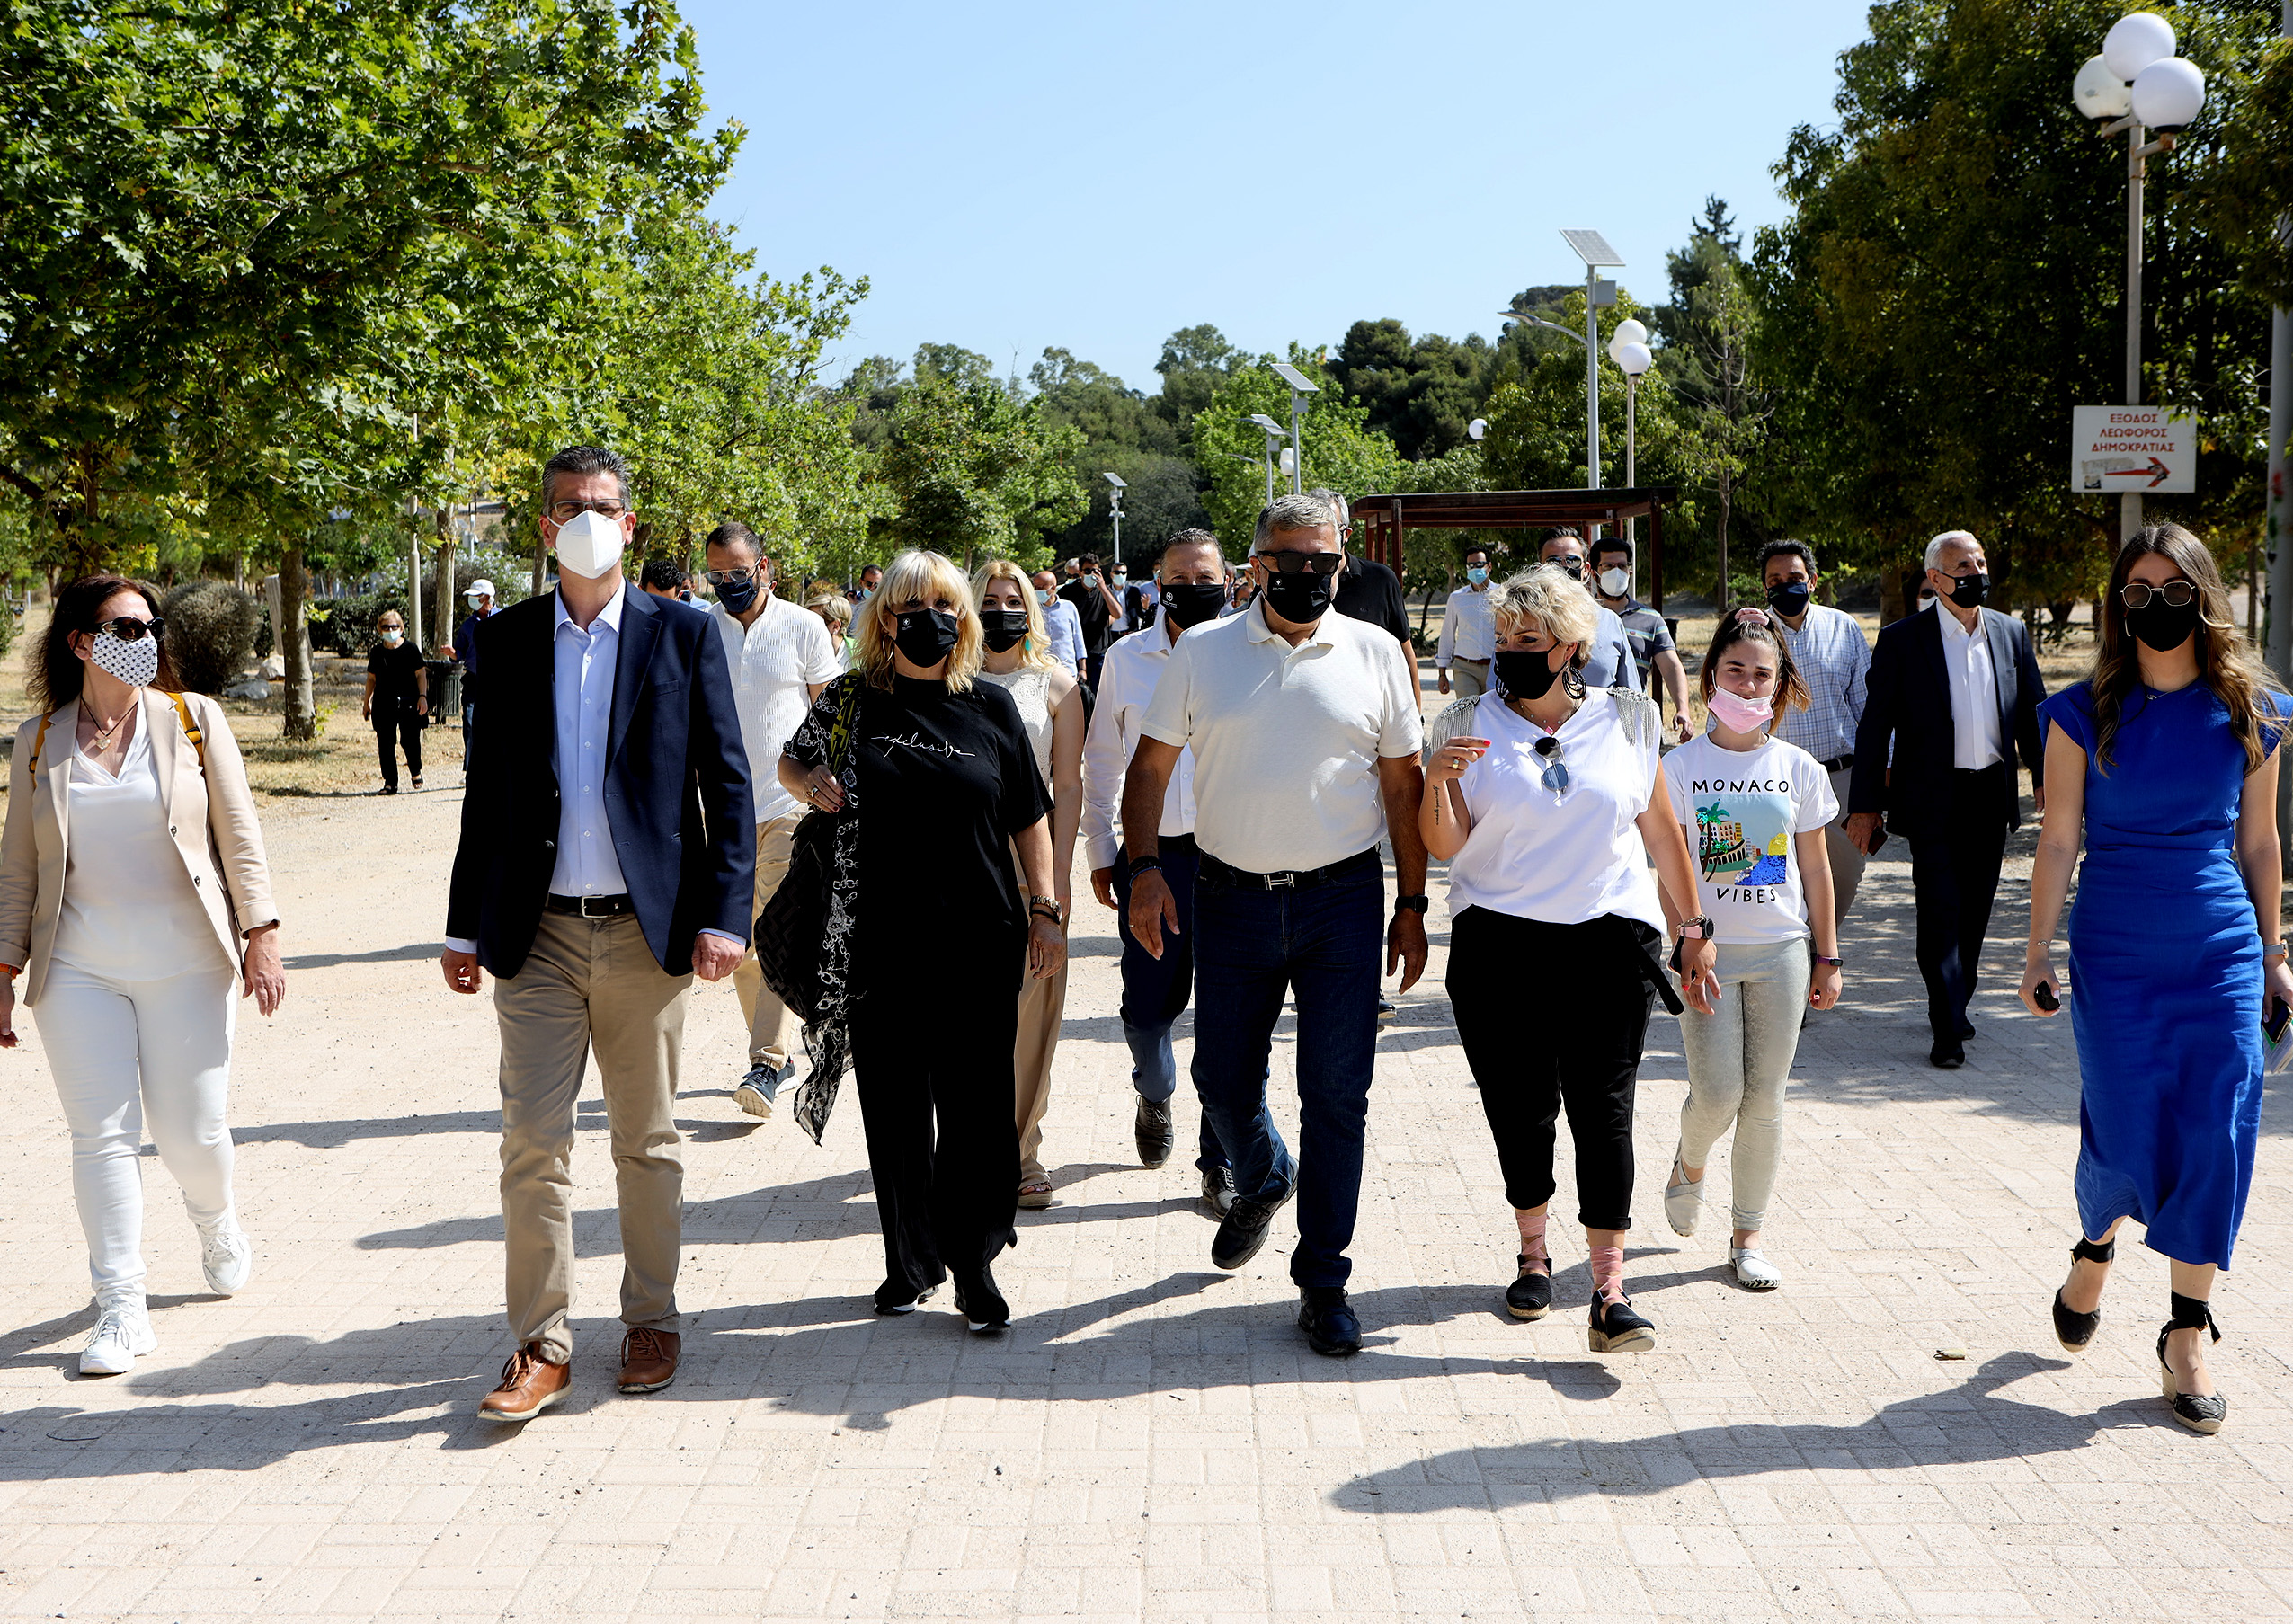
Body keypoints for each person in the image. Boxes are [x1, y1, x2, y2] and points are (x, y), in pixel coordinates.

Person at [443, 445, 754, 1421]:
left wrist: (726, 913)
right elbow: (487, 795)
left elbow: (727, 783)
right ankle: (541, 1344)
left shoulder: (684, 634)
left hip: (643, 936)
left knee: (646, 1142)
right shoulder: (506, 638)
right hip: (534, 934)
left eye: (604, 505)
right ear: (545, 527)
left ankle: (651, 1318)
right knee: (531, 1145)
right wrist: (462, 925)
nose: (588, 518)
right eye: (570, 505)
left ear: (629, 524)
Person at [1121, 493, 1428, 1357]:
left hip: (1342, 902)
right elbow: (1148, 770)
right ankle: (1263, 1173)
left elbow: (1402, 785)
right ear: (1256, 566)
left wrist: (1411, 905)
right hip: (1230, 898)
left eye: (1324, 562)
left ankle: (1323, 1280)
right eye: (1290, 561)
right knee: (1220, 1080)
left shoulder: (1373, 652)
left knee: (1336, 1094)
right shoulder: (1204, 651)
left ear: (1342, 563)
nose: (1308, 575)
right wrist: (1144, 870)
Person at [2022, 526, 2292, 1437]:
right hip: (2115, 946)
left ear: (2203, 598)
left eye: (2174, 588)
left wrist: (2274, 951)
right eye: (2137, 590)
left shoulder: (2253, 711)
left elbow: (2259, 841)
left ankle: (2186, 1333)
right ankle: (2095, 1243)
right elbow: (2058, 838)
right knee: (2123, 1124)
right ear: (2117, 605)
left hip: (2219, 946)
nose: (2155, 605)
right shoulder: (2079, 713)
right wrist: (2034, 952)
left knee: (2215, 1126)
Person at [1419, 565, 1712, 1353]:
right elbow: (1445, 845)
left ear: (1573, 645)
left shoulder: (1628, 717)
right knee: (1519, 1107)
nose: (1510, 650)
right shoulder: (1462, 721)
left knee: (1603, 1109)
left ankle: (1609, 1291)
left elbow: (1660, 831)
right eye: (1502, 637)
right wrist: (1436, 782)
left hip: (1607, 943)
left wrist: (1693, 927)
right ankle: (1532, 1253)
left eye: (1528, 637)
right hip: (1498, 944)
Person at [0, 574, 285, 1376]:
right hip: (78, 967)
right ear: (80, 642)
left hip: (188, 961)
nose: (145, 638)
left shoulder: (193, 719)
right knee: (100, 1137)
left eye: (151, 625)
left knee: (191, 1134)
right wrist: (4, 967)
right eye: (125, 627)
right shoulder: (37, 741)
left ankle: (214, 1217)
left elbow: (239, 833)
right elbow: (18, 866)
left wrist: (261, 933)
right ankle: (121, 1306)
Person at [779, 549, 1065, 1331]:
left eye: (942, 606)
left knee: (977, 1110)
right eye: (909, 608)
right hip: (880, 943)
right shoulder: (851, 700)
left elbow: (1029, 817)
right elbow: (790, 761)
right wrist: (810, 784)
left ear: (962, 620)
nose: (926, 620)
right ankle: (909, 1263)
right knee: (896, 1110)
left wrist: (1047, 909)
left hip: (982, 937)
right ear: (883, 620)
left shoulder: (991, 708)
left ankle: (974, 1265)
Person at [1658, 608, 1842, 1291]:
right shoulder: (1677, 768)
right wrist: (1686, 940)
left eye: (1762, 674)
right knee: (1716, 1093)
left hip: (1781, 953)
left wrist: (1827, 955)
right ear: (1711, 675)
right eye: (1734, 669)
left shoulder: (1798, 768)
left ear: (1779, 685)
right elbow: (1667, 868)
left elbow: (1815, 868)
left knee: (1764, 1098)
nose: (1747, 683)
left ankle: (1747, 1236)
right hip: (1705, 954)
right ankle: (1689, 1160)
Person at [1081, 529, 1238, 1211]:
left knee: (1230, 1020)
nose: (1192, 588)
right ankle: (1154, 1091)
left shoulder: (1251, 655)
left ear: (1229, 580)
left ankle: (1221, 1159)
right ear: (1157, 581)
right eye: (1179, 577)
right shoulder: (1126, 658)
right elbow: (1101, 764)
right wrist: (1101, 851)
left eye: (1205, 577)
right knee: (1147, 1010)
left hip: (1235, 862)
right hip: (1152, 860)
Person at [1847, 529, 2044, 1069]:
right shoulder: (1902, 640)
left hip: (1991, 795)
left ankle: (1958, 998)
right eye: (1963, 566)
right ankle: (1946, 1027)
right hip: (1932, 798)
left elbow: (2032, 711)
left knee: (1976, 912)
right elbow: (1875, 727)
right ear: (1935, 579)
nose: (1976, 573)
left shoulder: (2010, 632)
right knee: (1939, 911)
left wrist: (2044, 774)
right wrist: (1865, 805)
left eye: (1980, 563)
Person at [699, 521, 842, 1118]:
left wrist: (829, 783)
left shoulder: (804, 627)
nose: (727, 583)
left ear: (764, 568)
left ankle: (767, 1059)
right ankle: (774, 1058)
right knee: (743, 937)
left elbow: (830, 713)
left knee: (776, 927)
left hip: (789, 805)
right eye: (716, 575)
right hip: (722, 813)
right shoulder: (701, 629)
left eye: (738, 571)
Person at [973, 560, 1086, 1209]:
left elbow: (1066, 786)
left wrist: (1058, 878)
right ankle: (961, 1147)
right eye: (988, 601)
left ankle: (1021, 1152)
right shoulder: (945, 679)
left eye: (1012, 601)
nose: (1000, 611)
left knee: (1030, 1020)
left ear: (1032, 610)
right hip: (960, 872)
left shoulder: (1058, 685)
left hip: (1030, 876)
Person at [1760, 540, 1873, 927]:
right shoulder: (1751, 633)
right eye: (1775, 580)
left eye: (1794, 577)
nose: (1785, 585)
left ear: (1812, 581)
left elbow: (1868, 709)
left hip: (1840, 781)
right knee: (1773, 886)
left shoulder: (1844, 628)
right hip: (1774, 783)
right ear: (1764, 587)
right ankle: (1792, 962)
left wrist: (1879, 781)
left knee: (1840, 884)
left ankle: (1819, 957)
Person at [1589, 536, 1694, 741]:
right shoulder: (1581, 618)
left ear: (1630, 571)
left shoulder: (1651, 619)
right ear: (1594, 573)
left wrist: (1683, 709)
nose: (1616, 572)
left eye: (1622, 566)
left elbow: (1671, 667)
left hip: (1635, 723)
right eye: (1608, 566)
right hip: (1592, 723)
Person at [1537, 529, 1634, 690]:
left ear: (1586, 570)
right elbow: (1498, 693)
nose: (1564, 567)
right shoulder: (1521, 623)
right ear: (1539, 569)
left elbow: (1632, 695)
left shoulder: (1610, 622)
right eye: (1553, 562)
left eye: (1572, 561)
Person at [362, 608, 429, 793]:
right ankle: (390, 782)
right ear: (380, 629)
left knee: (410, 740)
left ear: (401, 628)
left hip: (408, 702)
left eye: (394, 626)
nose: (390, 630)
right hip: (384, 703)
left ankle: (415, 770)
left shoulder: (411, 649)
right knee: (385, 743)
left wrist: (423, 697)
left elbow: (421, 674)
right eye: (386, 627)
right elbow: (371, 679)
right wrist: (366, 702)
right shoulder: (377, 652)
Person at [1435, 546, 1497, 702]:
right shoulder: (1457, 598)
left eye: (1479, 565)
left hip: (1495, 668)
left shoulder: (1502, 595)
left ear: (1489, 566)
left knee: (1492, 711)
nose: (1475, 569)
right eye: (1470, 566)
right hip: (1465, 667)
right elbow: (1447, 634)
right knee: (1468, 711)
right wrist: (1442, 672)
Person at [1060, 552, 1121, 692]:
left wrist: (1103, 588)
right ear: (1080, 572)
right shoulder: (1067, 592)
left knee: (1099, 692)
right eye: (1087, 571)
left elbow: (1117, 613)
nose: (1092, 574)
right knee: (1075, 693)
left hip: (1099, 651)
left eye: (1095, 570)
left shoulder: (1104, 591)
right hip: (1075, 652)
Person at [456, 579, 495, 771]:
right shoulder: (467, 626)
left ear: (487, 598)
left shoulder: (504, 619)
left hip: (497, 682)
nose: (471, 600)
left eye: (475, 596)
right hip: (473, 681)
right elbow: (460, 652)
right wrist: (453, 654)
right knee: (470, 724)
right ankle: (472, 770)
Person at [1030, 569, 1086, 679]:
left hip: (1068, 671)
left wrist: (1083, 669)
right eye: (1035, 587)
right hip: (1040, 672)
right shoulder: (1032, 610)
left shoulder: (1069, 607)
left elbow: (1078, 639)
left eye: (1041, 587)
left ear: (1053, 588)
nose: (1037, 591)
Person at [805, 591, 855, 664]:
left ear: (836, 626)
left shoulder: (860, 653)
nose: (806, 628)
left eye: (814, 624)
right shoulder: (803, 651)